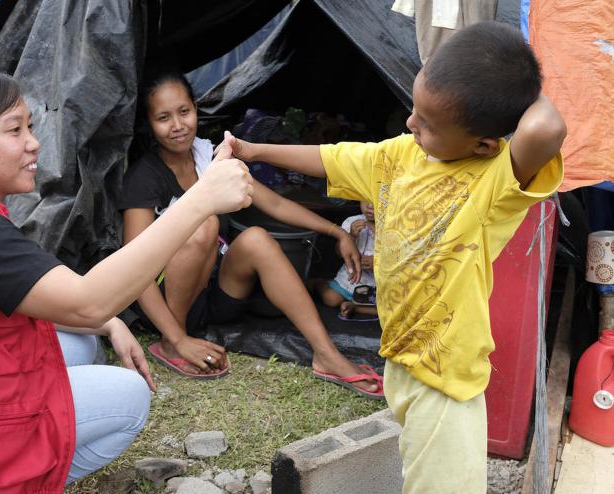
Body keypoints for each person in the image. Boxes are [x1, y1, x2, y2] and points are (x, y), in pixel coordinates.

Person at [0, 67, 254, 493]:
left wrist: (110, 323)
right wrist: (199, 201)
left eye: (30, 126)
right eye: (14, 130)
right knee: (129, 396)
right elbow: (87, 301)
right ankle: (2, 481)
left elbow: (72, 308)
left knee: (83, 341)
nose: (34, 142)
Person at [223, 22, 565, 493]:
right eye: (415, 110)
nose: (410, 124)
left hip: (446, 381)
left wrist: (527, 73)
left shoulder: (494, 181)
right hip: (402, 358)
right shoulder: (402, 155)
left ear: (483, 144)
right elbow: (331, 158)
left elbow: (546, 127)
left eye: (428, 124)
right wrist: (251, 149)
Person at [119, 69, 383, 399]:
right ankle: (172, 343)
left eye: (184, 112)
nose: (177, 125)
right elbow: (132, 268)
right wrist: (177, 335)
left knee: (255, 237)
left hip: (213, 291)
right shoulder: (144, 177)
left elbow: (272, 202)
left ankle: (326, 354)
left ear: (196, 110)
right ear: (149, 123)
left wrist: (336, 232)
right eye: (163, 117)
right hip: (163, 305)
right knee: (203, 224)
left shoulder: (210, 156)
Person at [314, 200, 379, 320]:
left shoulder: (395, 228)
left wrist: (377, 262)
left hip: (380, 285)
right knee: (331, 299)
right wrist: (351, 236)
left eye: (376, 201)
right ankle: (318, 282)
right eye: (366, 200)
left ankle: (355, 307)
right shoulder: (351, 222)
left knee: (392, 309)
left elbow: (402, 258)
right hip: (352, 280)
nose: (370, 206)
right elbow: (339, 253)